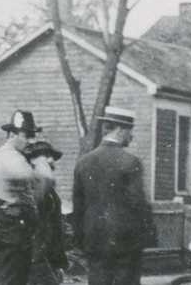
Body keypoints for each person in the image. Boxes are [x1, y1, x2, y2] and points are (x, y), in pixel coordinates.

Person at [72, 106, 155, 285]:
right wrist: (148, 236)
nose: (131, 136)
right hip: (126, 241)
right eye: (129, 131)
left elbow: (78, 206)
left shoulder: (83, 162)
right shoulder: (130, 162)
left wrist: (80, 239)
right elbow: (138, 203)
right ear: (120, 129)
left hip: (94, 239)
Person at [0, 110, 40, 285]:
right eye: (27, 136)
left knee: (3, 275)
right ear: (13, 134)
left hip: (0, 224)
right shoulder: (14, 159)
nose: (31, 141)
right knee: (14, 278)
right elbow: (34, 182)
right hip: (13, 228)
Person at [24, 140, 67, 285]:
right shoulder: (37, 183)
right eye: (46, 156)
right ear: (33, 161)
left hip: (46, 253)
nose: (51, 160)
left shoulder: (46, 186)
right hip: (37, 254)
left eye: (52, 156)